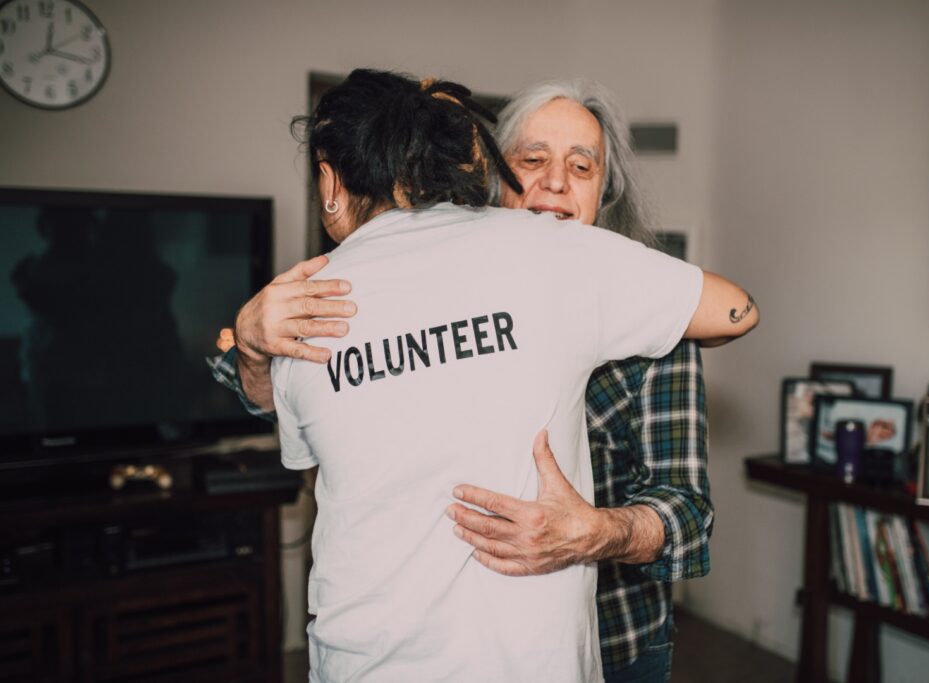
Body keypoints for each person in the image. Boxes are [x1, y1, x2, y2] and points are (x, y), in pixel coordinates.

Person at [212, 78, 732, 681]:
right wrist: (252, 342)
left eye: (582, 166)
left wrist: (596, 531)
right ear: (487, 173)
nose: (557, 182)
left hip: (614, 643)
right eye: (532, 161)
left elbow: (689, 513)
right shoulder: (417, 277)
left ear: (603, 191)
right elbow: (283, 396)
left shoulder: (656, 319)